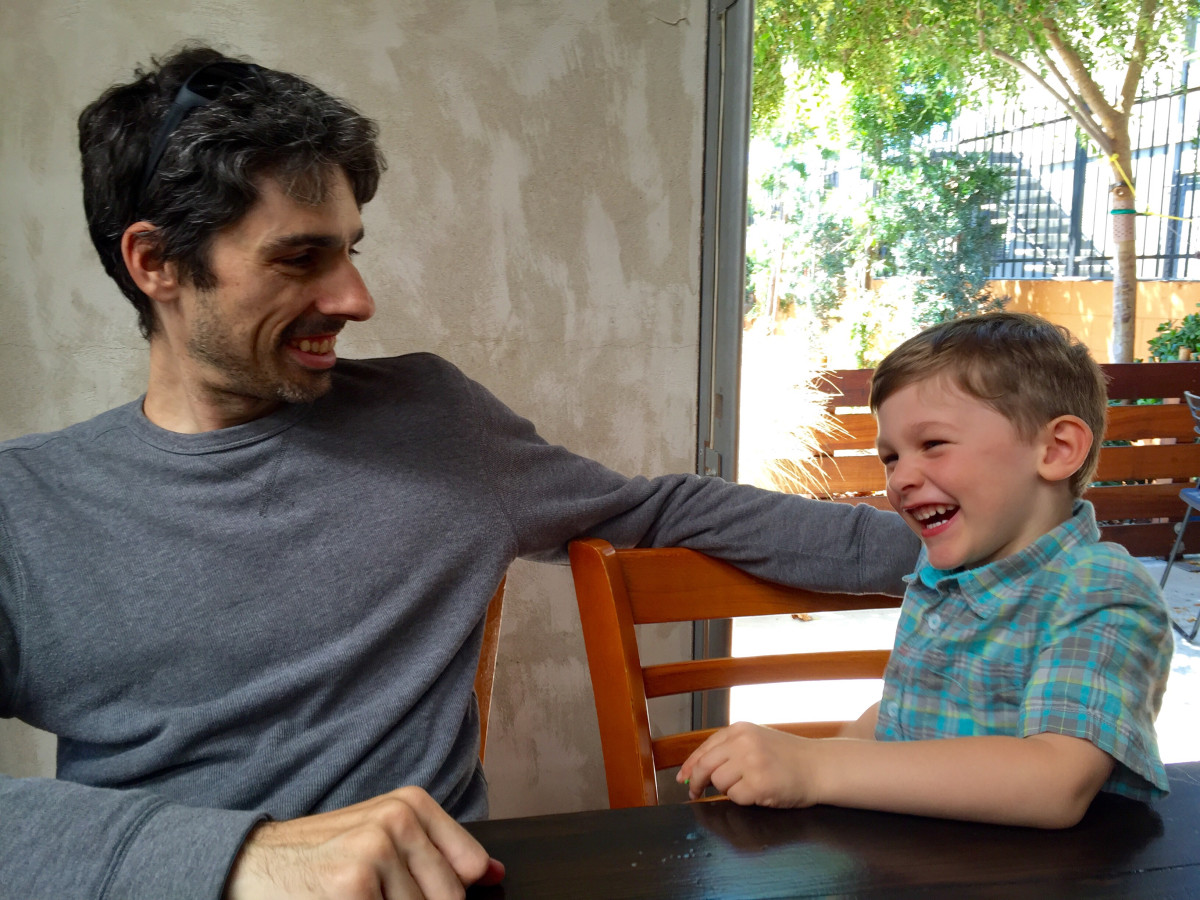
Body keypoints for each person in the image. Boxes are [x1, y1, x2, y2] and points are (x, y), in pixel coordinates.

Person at [0, 45, 920, 900]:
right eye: (299, 257)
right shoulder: (26, 509)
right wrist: (244, 858)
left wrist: (969, 550)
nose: (356, 298)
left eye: (350, 249)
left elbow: (665, 510)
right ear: (156, 263)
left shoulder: (435, 422)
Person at [679, 312, 1174, 829]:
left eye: (933, 444)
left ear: (1056, 449)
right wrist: (807, 756)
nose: (900, 479)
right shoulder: (947, 576)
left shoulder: (1102, 590)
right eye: (891, 457)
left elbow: (1055, 781)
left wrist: (816, 766)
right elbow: (905, 715)